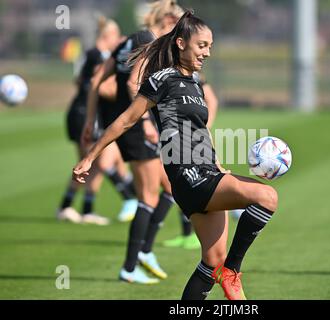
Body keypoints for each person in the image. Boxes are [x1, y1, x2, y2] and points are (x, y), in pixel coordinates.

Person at [73, 11, 279, 300]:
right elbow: (126, 120)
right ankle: (233, 271)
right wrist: (91, 156)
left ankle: (221, 275)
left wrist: (218, 165)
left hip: (207, 171)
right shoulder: (162, 80)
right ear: (181, 43)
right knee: (267, 197)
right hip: (187, 175)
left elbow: (200, 131)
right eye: (202, 45)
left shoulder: (194, 82)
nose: (207, 52)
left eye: (210, 46)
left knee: (211, 262)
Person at [81, 0, 184, 283]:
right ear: (166, 22)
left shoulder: (128, 41)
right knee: (148, 197)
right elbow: (131, 83)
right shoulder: (151, 42)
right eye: (178, 27)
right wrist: (148, 122)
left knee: (170, 188)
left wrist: (91, 121)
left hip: (130, 127)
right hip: (138, 128)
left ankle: (145, 251)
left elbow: (96, 80)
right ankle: (130, 266)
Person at [57, 16, 136, 225]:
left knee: (89, 165)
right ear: (108, 36)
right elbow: (100, 85)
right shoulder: (99, 56)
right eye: (117, 36)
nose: (119, 40)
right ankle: (128, 198)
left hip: (78, 112)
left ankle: (68, 207)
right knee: (100, 161)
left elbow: (79, 81)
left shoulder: (91, 54)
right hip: (85, 115)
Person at [162, 74, 217, 250]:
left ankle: (191, 233)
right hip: (174, 137)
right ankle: (187, 234)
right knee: (181, 183)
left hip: (191, 139)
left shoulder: (193, 76)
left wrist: (203, 127)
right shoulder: (163, 77)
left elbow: (212, 100)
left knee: (188, 182)